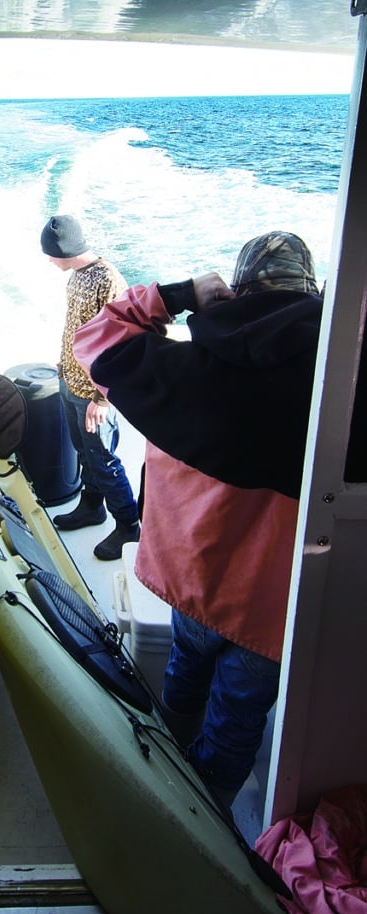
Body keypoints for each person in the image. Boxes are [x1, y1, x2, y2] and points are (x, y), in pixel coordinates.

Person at [72, 231, 323, 806]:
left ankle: (165, 778)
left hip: (195, 581)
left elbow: (95, 337)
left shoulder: (183, 373)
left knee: (185, 673)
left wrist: (176, 294)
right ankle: (206, 824)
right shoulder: (339, 387)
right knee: (236, 722)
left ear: (237, 294)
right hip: (273, 605)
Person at [40, 214, 139, 561]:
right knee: (84, 454)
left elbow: (121, 340)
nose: (49, 260)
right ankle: (92, 507)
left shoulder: (107, 279)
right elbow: (74, 329)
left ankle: (128, 526)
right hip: (70, 381)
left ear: (65, 250)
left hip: (95, 395)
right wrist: (62, 370)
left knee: (104, 460)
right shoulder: (76, 276)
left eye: (50, 254)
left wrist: (102, 397)